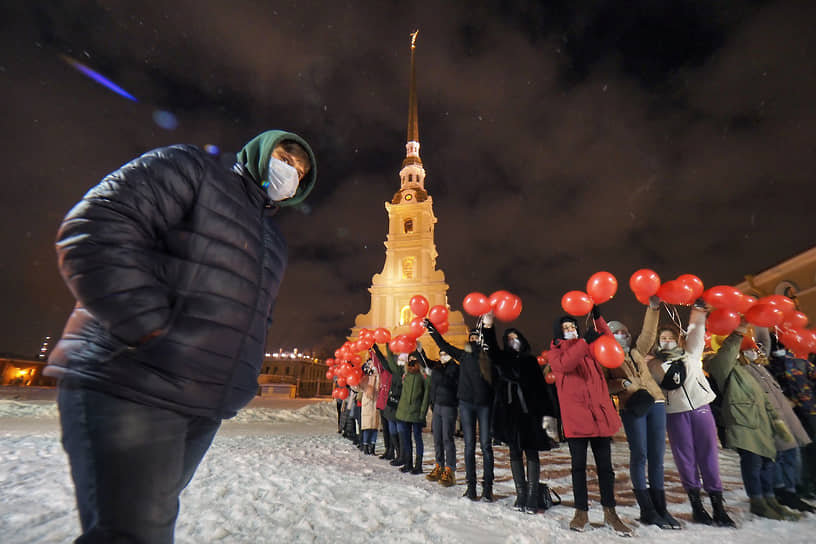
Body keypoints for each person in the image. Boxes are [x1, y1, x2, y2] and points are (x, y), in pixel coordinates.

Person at [45, 130, 317, 543]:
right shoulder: (192, 170)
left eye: (299, 172)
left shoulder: (272, 241)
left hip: (201, 405)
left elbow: (253, 317)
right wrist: (149, 328)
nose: (290, 174)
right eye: (285, 158)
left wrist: (236, 380)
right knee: (135, 534)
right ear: (262, 152)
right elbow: (97, 225)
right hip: (130, 382)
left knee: (139, 527)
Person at [647, 301, 734, 527]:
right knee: (684, 458)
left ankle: (718, 507)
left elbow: (697, 330)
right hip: (674, 414)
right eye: (662, 338)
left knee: (708, 455)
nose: (667, 341)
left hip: (701, 408)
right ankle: (697, 507)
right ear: (658, 341)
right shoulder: (655, 364)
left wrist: (698, 311)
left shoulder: (691, 355)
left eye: (670, 337)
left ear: (678, 339)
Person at [547, 307, 632, 536]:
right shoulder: (554, 353)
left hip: (599, 418)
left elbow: (609, 341)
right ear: (558, 333)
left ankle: (610, 512)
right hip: (577, 421)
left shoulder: (590, 349)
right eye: (566, 328)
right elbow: (565, 365)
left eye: (573, 326)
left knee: (606, 469)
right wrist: (584, 341)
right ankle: (581, 512)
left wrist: (597, 318)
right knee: (578, 468)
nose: (571, 330)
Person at [707, 322, 801, 521]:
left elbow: (763, 398)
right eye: (748, 349)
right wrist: (738, 333)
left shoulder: (747, 369)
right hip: (743, 423)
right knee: (753, 463)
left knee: (767, 461)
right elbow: (725, 357)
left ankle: (770, 500)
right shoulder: (723, 366)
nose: (753, 352)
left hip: (761, 422)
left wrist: (777, 422)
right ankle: (757, 502)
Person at [605, 297, 680, 529]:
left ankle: (661, 508)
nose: (623, 335)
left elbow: (649, 331)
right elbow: (605, 385)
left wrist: (653, 308)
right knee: (640, 455)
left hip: (656, 402)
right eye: (617, 333)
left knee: (657, 457)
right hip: (633, 406)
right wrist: (623, 384)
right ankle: (647, 509)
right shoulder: (607, 358)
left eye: (624, 332)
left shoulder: (637, 351)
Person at [482, 311, 557, 514]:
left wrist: (549, 415)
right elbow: (491, 351)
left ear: (522, 341)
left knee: (531, 452)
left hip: (530, 413)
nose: (513, 342)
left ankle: (532, 496)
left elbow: (542, 390)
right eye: (509, 339)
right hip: (510, 413)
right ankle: (521, 494)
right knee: (514, 453)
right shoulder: (502, 359)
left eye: (516, 338)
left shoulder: (531, 361)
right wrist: (488, 326)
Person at [426, 319, 496, 501]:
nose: (473, 339)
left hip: (484, 404)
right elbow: (443, 344)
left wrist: (488, 331)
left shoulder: (488, 355)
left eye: (476, 337)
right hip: (466, 404)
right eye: (471, 337)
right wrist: (432, 329)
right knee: (469, 445)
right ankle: (471, 487)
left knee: (486, 446)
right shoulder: (463, 355)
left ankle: (487, 488)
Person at [747, 329, 814, 513]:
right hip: (769, 412)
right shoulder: (743, 365)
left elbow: (763, 345)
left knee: (792, 450)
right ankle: (780, 489)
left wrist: (759, 322)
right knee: (779, 452)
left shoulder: (761, 363)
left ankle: (790, 490)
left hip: (782, 408)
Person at [768, 333, 816, 500]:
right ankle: (801, 485)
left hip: (802, 412)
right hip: (800, 412)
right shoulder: (776, 366)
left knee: (804, 450)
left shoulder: (780, 365)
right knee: (799, 450)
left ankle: (805, 484)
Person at [422, 344, 460, 487]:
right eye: (441, 353)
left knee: (447, 438)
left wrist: (434, 373)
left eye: (445, 353)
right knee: (437, 437)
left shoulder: (455, 368)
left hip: (449, 406)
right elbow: (426, 362)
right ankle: (439, 465)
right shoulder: (438, 367)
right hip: (437, 405)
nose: (442, 356)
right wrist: (420, 351)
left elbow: (448, 381)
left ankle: (450, 470)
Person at [394, 350, 431, 474]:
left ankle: (418, 465)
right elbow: (392, 366)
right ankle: (408, 463)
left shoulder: (423, 376)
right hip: (404, 412)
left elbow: (426, 395)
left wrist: (422, 412)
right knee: (406, 439)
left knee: (417, 439)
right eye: (410, 359)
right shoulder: (405, 374)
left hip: (416, 413)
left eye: (415, 359)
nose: (412, 361)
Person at [359, 360, 381, 455]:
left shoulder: (379, 376)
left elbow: (380, 386)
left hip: (376, 402)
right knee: (367, 426)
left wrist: (377, 375)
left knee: (374, 427)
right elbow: (359, 386)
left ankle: (372, 447)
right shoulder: (366, 376)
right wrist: (367, 375)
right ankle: (365, 446)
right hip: (367, 402)